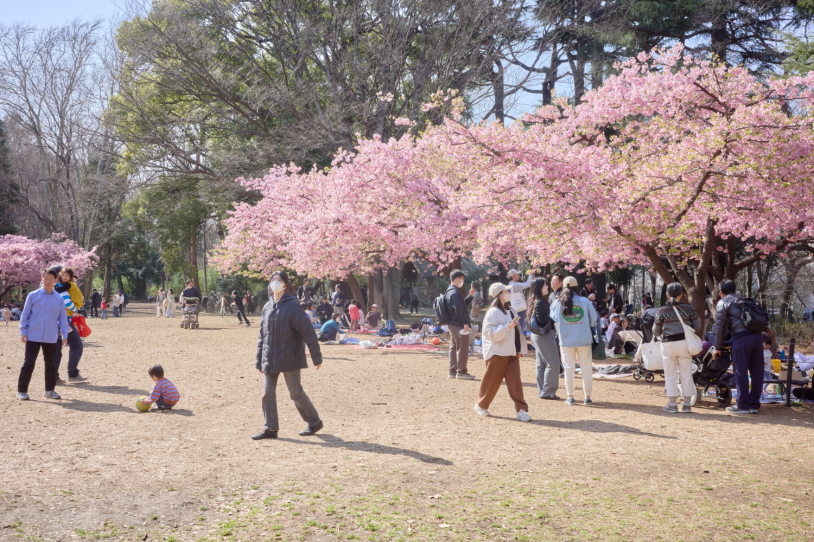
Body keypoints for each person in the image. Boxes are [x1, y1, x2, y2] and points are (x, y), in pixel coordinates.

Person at [252, 270, 324, 440]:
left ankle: (314, 422)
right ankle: (270, 428)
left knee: (295, 393)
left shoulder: (293, 306)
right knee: (267, 393)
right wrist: (258, 360)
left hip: (290, 356)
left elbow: (308, 332)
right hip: (269, 357)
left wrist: (316, 357)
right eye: (273, 279)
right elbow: (262, 335)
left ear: (285, 284)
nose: (275, 283)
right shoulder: (268, 307)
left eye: (278, 280)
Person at [473, 283, 531, 421]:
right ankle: (481, 405)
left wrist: (519, 349)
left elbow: (517, 333)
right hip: (497, 352)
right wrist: (506, 327)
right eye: (507, 291)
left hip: (511, 352)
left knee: (515, 381)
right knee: (492, 381)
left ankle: (521, 409)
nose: (509, 293)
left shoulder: (511, 309)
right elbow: (489, 333)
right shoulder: (493, 312)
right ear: (500, 294)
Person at [16, 267, 70, 401]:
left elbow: (63, 318)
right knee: (29, 363)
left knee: (51, 364)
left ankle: (49, 390)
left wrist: (65, 334)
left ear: (55, 280)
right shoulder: (33, 295)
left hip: (51, 336)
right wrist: (23, 331)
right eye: (45, 279)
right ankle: (21, 391)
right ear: (42, 279)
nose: (47, 281)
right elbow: (25, 315)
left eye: (50, 279)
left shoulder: (59, 298)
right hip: (33, 334)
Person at [713, 279, 765, 415]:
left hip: (742, 339)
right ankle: (754, 405)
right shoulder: (747, 300)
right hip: (757, 338)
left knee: (740, 372)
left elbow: (719, 327)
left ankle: (742, 405)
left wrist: (717, 347)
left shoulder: (723, 302)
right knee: (757, 373)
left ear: (721, 292)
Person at [653, 283, 702, 413]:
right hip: (684, 343)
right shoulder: (688, 309)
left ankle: (672, 404)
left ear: (667, 294)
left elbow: (656, 331)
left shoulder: (662, 310)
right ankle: (687, 404)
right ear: (681, 294)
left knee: (670, 375)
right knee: (686, 374)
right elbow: (697, 326)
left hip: (668, 344)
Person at [550, 276, 598, 405]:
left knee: (568, 368)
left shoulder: (557, 302)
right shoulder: (585, 301)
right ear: (577, 287)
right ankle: (587, 397)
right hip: (584, 339)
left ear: (563, 287)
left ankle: (570, 396)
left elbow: (554, 319)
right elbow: (593, 320)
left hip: (566, 340)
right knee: (586, 368)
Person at [528, 278, 560, 400]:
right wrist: (554, 310)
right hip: (545, 335)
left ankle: (543, 390)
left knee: (541, 364)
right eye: (545, 284)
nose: (547, 286)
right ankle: (548, 391)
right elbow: (542, 319)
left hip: (537, 335)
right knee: (553, 363)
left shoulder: (534, 300)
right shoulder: (541, 302)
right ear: (539, 287)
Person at [54, 267, 85, 383]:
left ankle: (54, 376)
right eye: (63, 275)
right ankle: (72, 373)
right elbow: (67, 302)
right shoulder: (63, 288)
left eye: (67, 276)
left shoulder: (53, 287)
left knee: (56, 349)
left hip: (54, 321)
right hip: (64, 321)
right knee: (76, 345)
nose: (65, 277)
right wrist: (75, 309)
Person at [445, 269, 477, 380]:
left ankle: (452, 371)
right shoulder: (455, 292)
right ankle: (461, 371)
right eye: (462, 279)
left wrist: (470, 296)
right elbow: (460, 310)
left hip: (452, 324)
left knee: (454, 347)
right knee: (463, 347)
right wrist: (465, 324)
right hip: (458, 324)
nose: (462, 281)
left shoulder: (450, 291)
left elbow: (461, 305)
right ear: (457, 279)